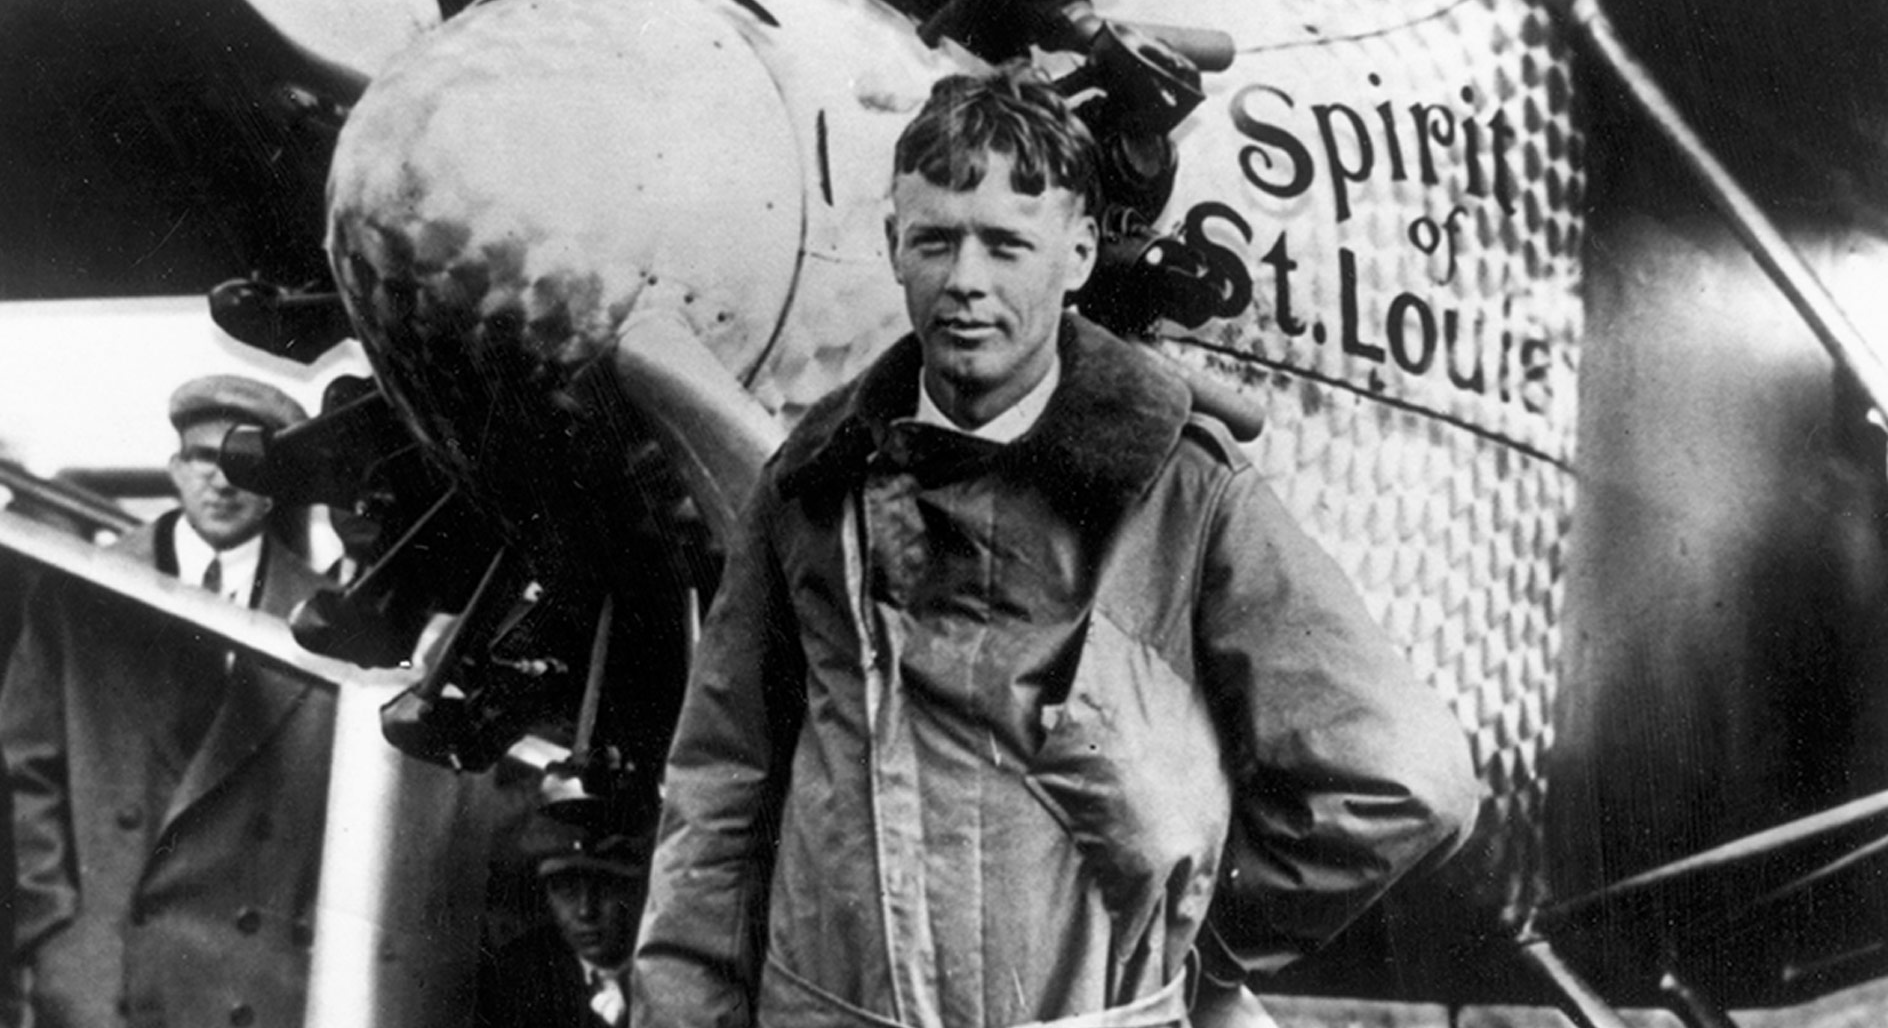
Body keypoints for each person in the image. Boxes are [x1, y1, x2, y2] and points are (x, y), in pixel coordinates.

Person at [632, 66, 1482, 1028]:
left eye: (1007, 245)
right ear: (892, 247)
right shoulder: (809, 482)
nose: (966, 282)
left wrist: (1190, 928)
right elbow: (723, 783)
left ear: (1078, 252)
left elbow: (1407, 777)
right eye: (935, 240)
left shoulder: (1183, 486)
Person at [0, 375, 333, 1028]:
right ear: (176, 469)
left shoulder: (324, 625)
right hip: (104, 971)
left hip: (257, 987)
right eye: (206, 458)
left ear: (277, 489)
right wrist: (53, 930)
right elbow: (23, 767)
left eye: (248, 464)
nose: (223, 481)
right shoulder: (79, 589)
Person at [477, 806, 652, 1028]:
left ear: (637, 890)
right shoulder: (513, 981)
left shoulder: (677, 962)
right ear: (546, 895)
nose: (585, 911)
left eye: (605, 888)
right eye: (567, 891)